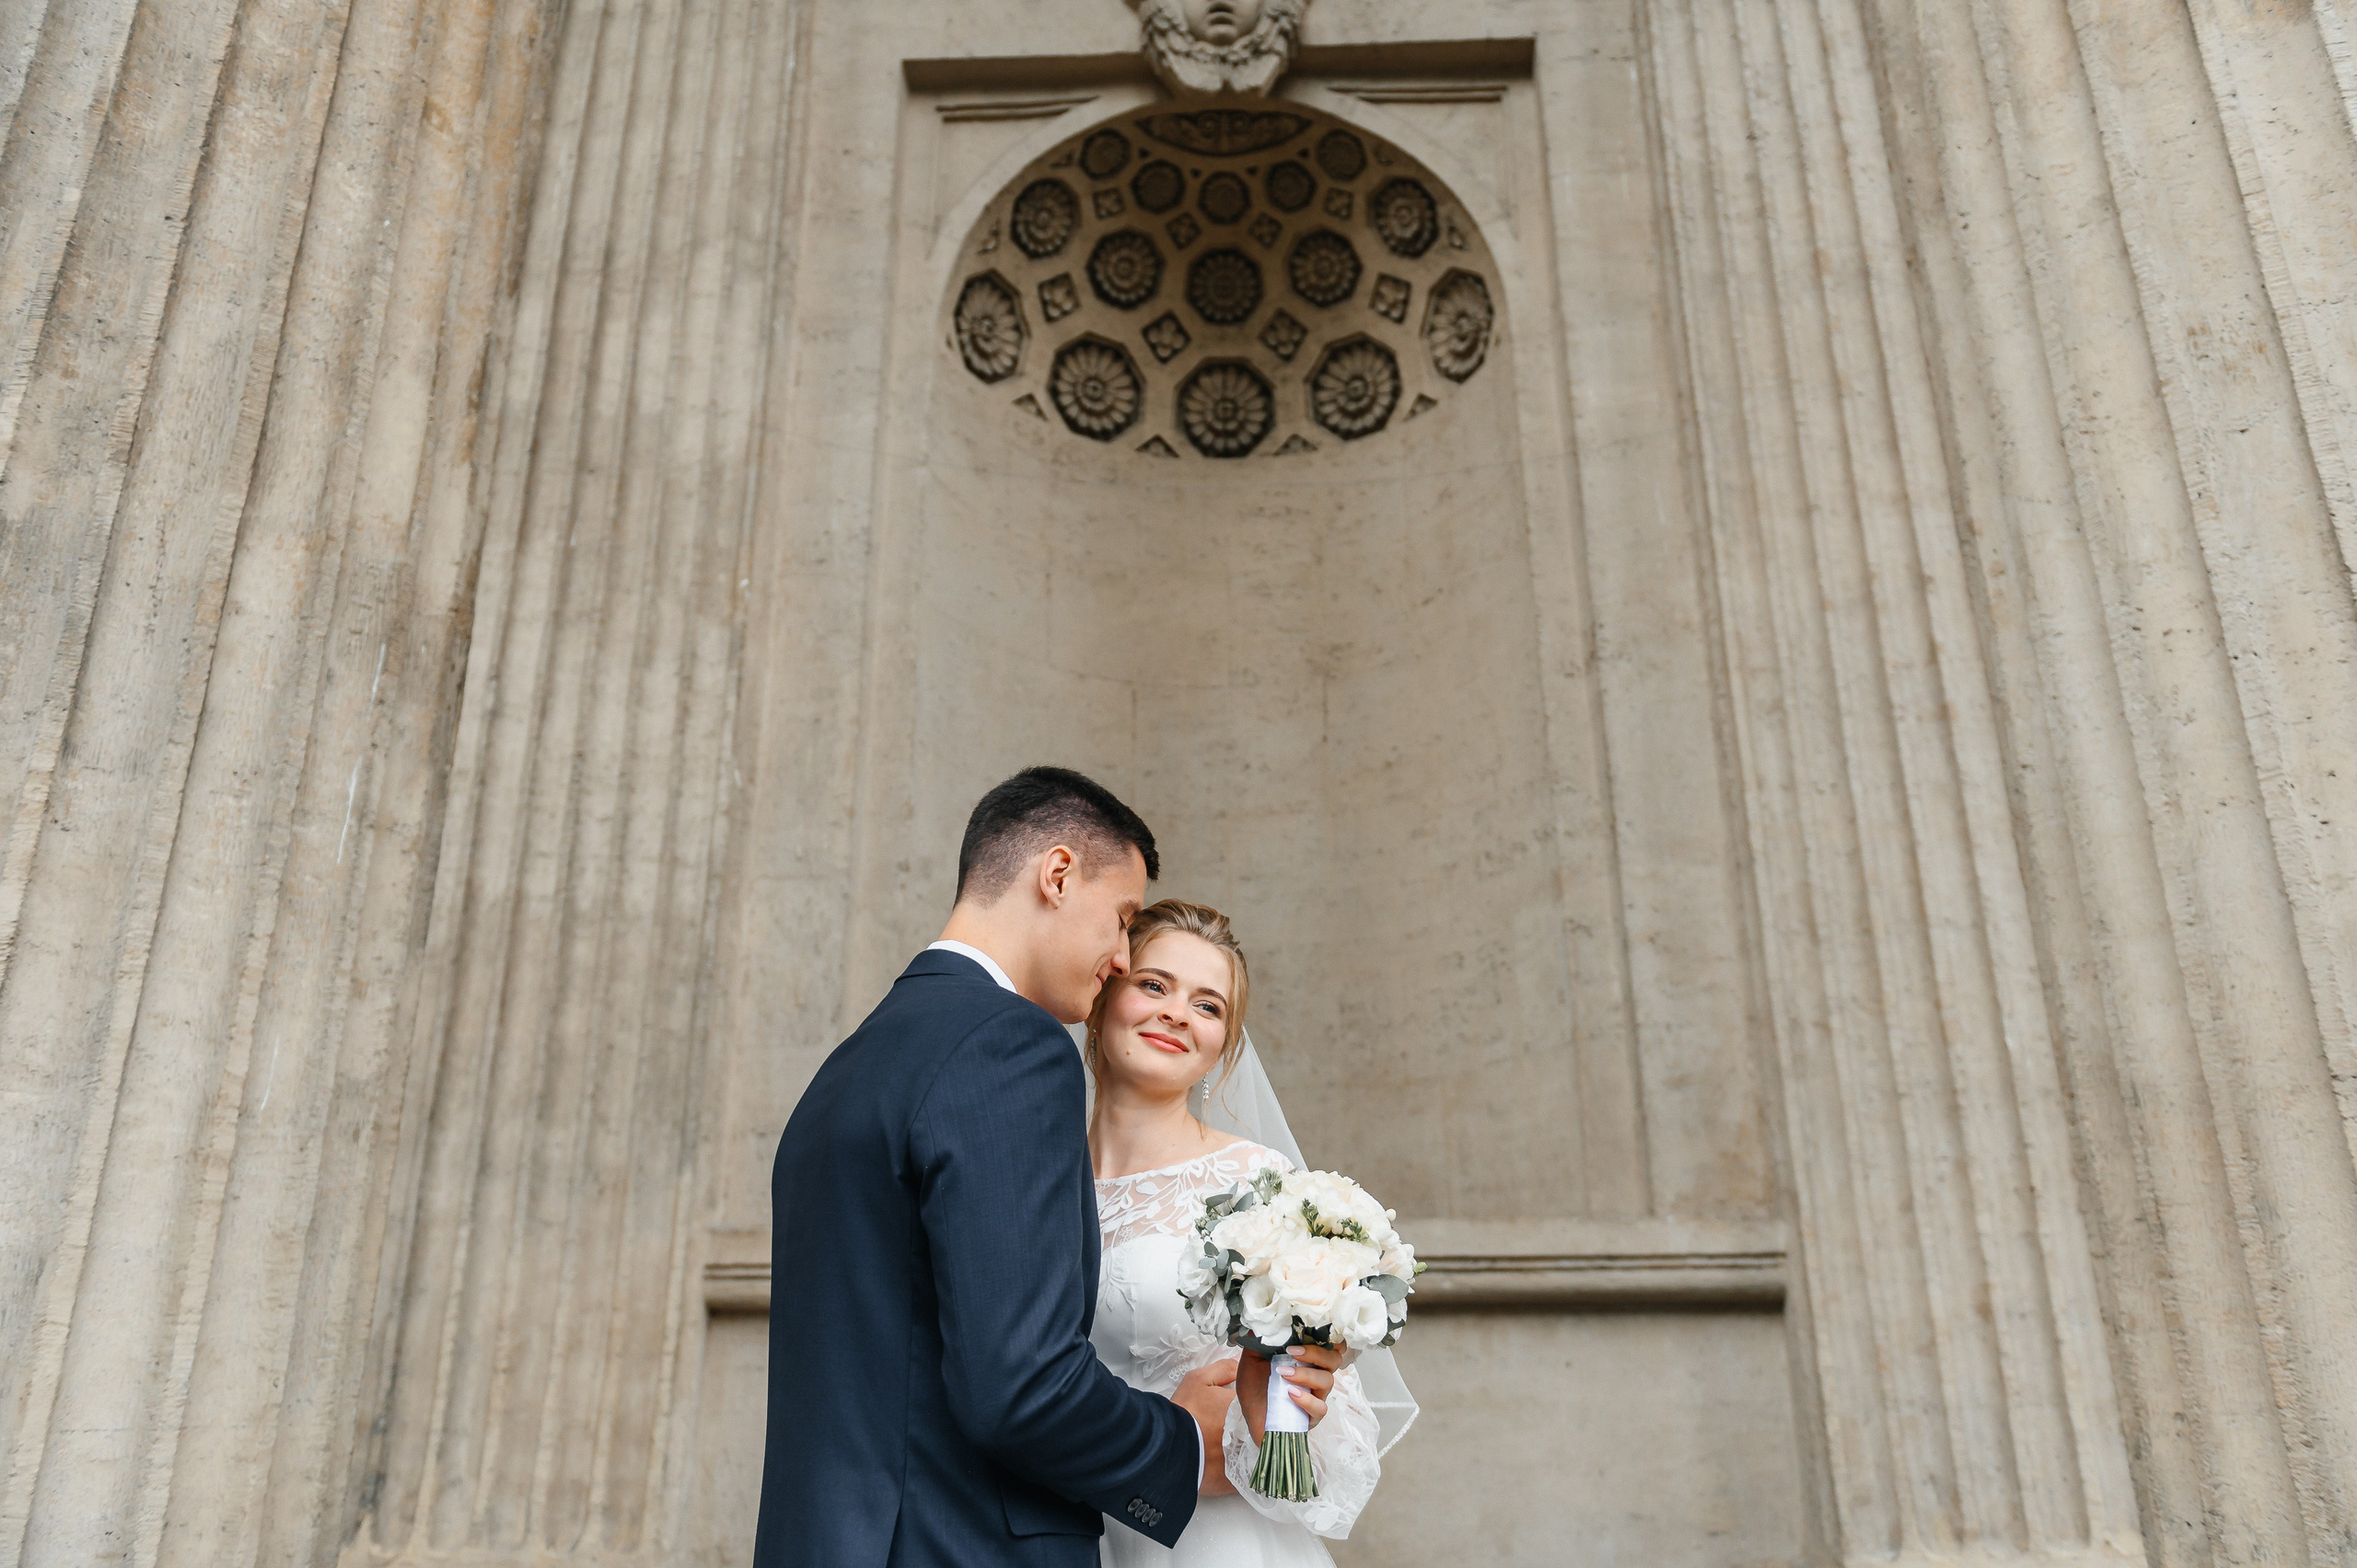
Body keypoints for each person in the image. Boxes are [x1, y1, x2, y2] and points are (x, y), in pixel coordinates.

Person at [754, 767, 1234, 1568]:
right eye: (1122, 919)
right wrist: (1182, 1446)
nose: (1122, 957)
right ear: (1057, 874)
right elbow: (1021, 1383)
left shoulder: (847, 1068)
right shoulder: (1011, 1046)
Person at [1085, 900, 1404, 1565]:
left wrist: (1266, 1422)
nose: (1178, 1013)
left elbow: (1326, 1441)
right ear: (1100, 994)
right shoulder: (1030, 1181)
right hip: (1073, 1533)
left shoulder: (1256, 1187)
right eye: (1154, 985)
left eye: (1208, 1006)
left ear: (1222, 1046)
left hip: (1213, 1540)